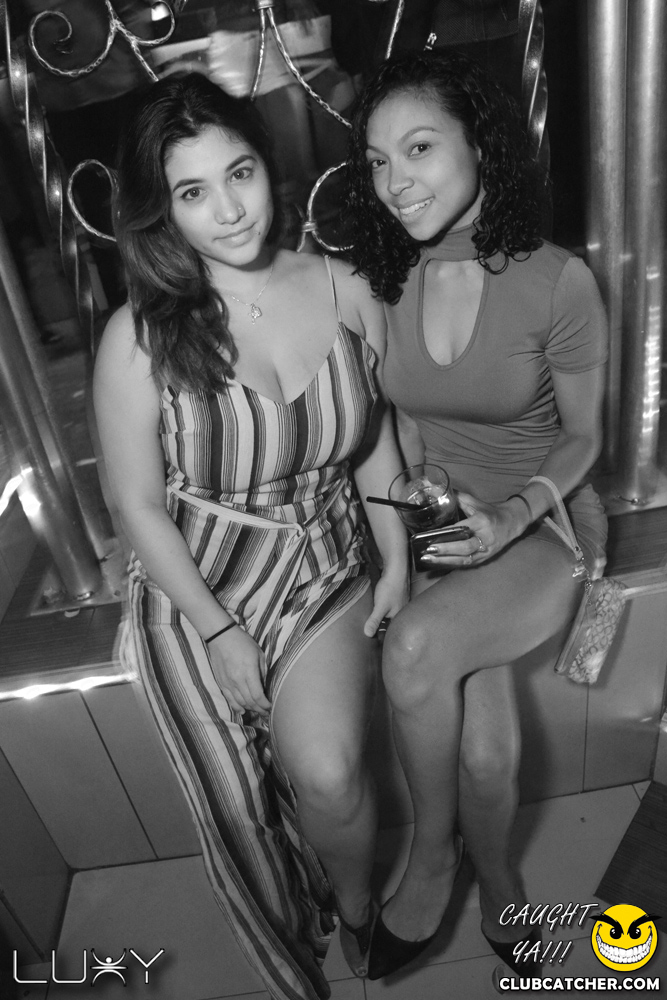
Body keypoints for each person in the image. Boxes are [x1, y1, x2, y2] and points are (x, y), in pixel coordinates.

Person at [93, 73, 408, 1000]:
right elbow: (136, 508)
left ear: (268, 166)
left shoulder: (349, 288)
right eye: (192, 192)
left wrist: (397, 559)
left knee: (330, 773)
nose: (228, 210)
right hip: (196, 582)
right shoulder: (138, 339)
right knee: (237, 808)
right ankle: (286, 942)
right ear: (163, 211)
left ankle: (354, 904)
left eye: (239, 174)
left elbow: (375, 443)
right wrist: (220, 631)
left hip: (319, 560)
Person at [346, 51, 608, 982]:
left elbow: (583, 439)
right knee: (487, 759)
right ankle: (499, 885)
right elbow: (400, 428)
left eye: (418, 148)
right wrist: (406, 537)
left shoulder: (557, 280)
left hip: (543, 519)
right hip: (443, 526)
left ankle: (431, 856)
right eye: (377, 161)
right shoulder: (383, 280)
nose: (395, 182)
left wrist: (511, 515)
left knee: (416, 650)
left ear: (480, 146)